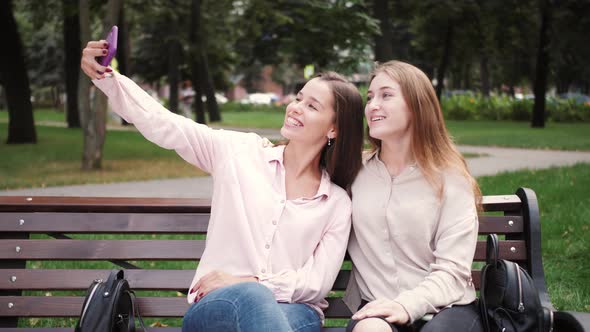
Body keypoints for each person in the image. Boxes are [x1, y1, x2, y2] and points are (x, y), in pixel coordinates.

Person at [81, 40, 364, 332]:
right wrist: (108, 78)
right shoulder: (239, 153)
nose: (295, 108)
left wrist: (252, 283)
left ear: (334, 128)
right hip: (216, 308)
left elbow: (315, 284)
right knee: (255, 300)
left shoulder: (336, 203)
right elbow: (166, 124)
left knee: (267, 309)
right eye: (298, 98)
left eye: (312, 106)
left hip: (296, 313)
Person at [344, 60, 482, 332]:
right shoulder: (353, 173)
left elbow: (453, 272)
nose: (372, 105)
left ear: (417, 105)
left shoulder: (450, 179)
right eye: (370, 97)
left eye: (386, 95)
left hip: (447, 309)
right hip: (377, 309)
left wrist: (408, 305)